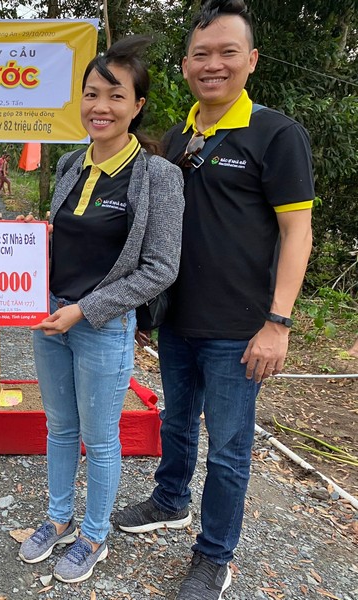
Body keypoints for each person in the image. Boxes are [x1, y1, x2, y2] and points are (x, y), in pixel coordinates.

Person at [114, 2, 314, 598]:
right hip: (177, 318)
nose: (213, 64)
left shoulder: (276, 135)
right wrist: (145, 306)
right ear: (184, 65)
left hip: (240, 327)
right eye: (201, 54)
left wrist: (278, 323)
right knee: (175, 420)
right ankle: (170, 499)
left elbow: (297, 232)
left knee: (228, 449)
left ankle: (214, 556)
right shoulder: (178, 137)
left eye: (228, 52)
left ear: (251, 60)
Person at [17, 36, 185, 584]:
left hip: (102, 327)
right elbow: (63, 240)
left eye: (115, 96)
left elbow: (161, 268)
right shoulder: (71, 164)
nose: (100, 107)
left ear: (137, 106)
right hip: (49, 316)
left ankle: (94, 535)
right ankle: (58, 517)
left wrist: (85, 310)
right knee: (60, 427)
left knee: (101, 437)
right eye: (92, 94)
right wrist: (25, 243)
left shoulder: (158, 176)